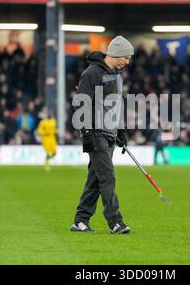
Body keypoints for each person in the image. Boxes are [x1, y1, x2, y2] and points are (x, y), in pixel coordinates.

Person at [70, 36, 133, 234]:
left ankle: (80, 221)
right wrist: (86, 131)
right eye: (126, 57)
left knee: (96, 179)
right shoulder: (92, 73)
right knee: (107, 177)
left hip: (109, 133)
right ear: (116, 53)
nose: (127, 62)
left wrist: (120, 129)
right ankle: (115, 222)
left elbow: (116, 105)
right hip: (95, 132)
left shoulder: (116, 75)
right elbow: (82, 102)